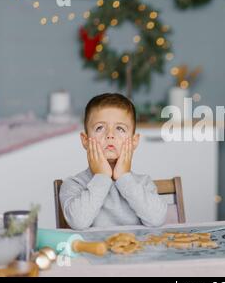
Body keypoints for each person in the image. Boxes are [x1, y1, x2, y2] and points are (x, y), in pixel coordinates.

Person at [60, 93, 167, 230]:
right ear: (85, 140)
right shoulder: (74, 185)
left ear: (134, 141)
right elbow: (78, 222)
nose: (110, 135)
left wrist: (124, 178)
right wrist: (102, 177)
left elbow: (157, 219)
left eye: (120, 128)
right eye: (100, 128)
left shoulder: (142, 183)